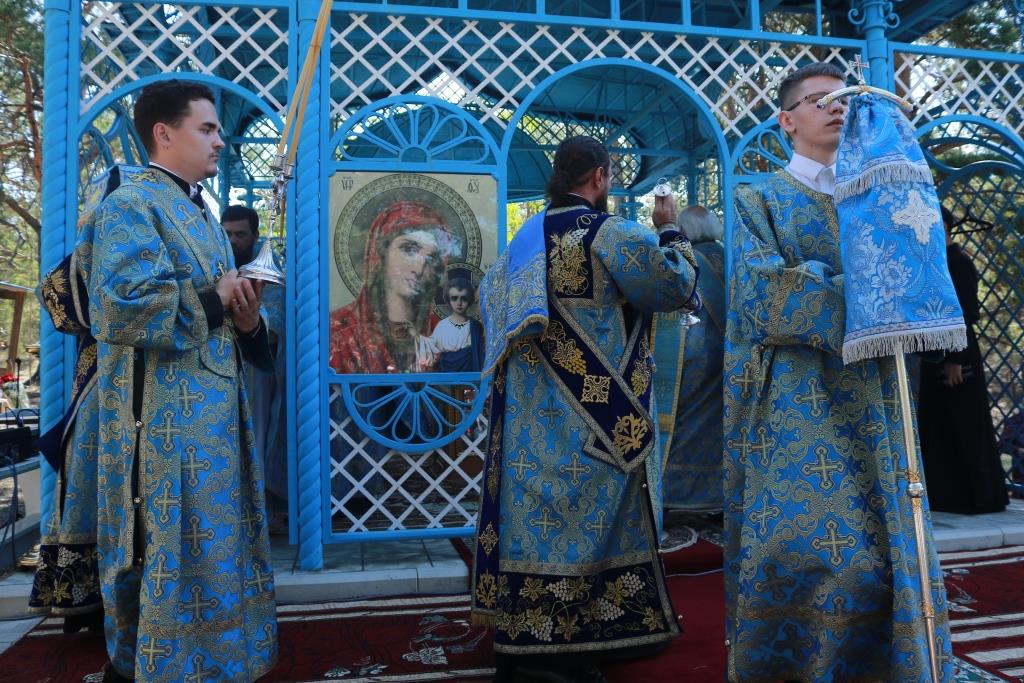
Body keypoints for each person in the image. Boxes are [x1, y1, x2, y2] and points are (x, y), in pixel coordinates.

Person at [724, 62, 954, 681]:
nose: (837, 108)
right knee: (814, 546)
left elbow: (918, 270)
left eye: (845, 100)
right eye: (820, 99)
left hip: (877, 393)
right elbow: (761, 294)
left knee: (884, 544)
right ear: (786, 120)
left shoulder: (876, 193)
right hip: (800, 395)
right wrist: (871, 290)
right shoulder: (758, 199)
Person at [470, 135, 700, 683]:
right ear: (600, 176)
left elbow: (488, 308)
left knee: (538, 526)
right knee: (591, 522)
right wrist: (670, 229)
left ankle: (530, 636)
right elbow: (673, 287)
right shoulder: (610, 234)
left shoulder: (522, 240)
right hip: (597, 419)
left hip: (529, 423)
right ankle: (565, 651)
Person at [77, 80, 277, 682]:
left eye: (218, 129)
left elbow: (222, 315)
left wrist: (246, 320)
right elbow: (118, 308)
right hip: (162, 428)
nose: (220, 141)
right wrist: (215, 297)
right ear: (164, 133)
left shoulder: (202, 213)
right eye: (207, 129)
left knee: (216, 550)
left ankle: (216, 664)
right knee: (168, 550)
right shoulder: (132, 204)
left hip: (212, 423)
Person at [29, 250, 103, 633]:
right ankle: (85, 599)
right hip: (100, 380)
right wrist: (116, 313)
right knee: (88, 478)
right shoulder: (98, 242)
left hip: (161, 377)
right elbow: (53, 292)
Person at [916, 208, 1008, 514]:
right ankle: (947, 497)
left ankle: (979, 498)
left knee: (965, 424)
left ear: (943, 226)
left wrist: (955, 359)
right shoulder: (934, 262)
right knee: (939, 426)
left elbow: (965, 314)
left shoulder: (958, 262)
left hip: (958, 355)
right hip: (935, 354)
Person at [329, 201, 460, 374]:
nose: (418, 268)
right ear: (381, 252)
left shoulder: (440, 331)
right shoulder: (339, 330)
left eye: (431, 259)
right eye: (409, 249)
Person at [653, 205, 726, 512]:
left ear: (685, 232)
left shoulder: (689, 261)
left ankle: (680, 494)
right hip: (728, 357)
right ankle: (717, 492)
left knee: (686, 422)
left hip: (695, 354)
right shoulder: (729, 257)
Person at [222, 205, 289, 530]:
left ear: (254, 235)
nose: (234, 241)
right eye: (228, 234)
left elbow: (274, 323)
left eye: (241, 234)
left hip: (255, 371)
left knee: (257, 436)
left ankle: (259, 510)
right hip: (216, 369)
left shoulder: (267, 271)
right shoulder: (213, 263)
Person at [420, 277, 485, 373]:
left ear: (470, 300)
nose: (459, 303)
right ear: (448, 300)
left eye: (464, 298)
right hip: (446, 378)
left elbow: (480, 357)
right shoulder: (442, 326)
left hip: (470, 379)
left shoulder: (475, 326)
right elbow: (431, 354)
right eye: (454, 298)